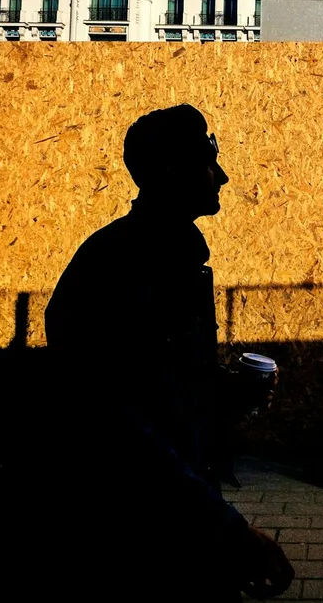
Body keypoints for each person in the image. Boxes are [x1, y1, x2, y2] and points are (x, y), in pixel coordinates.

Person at [41, 105, 293, 600]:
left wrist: (222, 387)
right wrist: (228, 530)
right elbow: (119, 424)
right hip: (136, 534)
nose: (221, 176)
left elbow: (161, 379)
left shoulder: (169, 258)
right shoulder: (124, 266)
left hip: (173, 513)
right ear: (170, 170)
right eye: (208, 160)